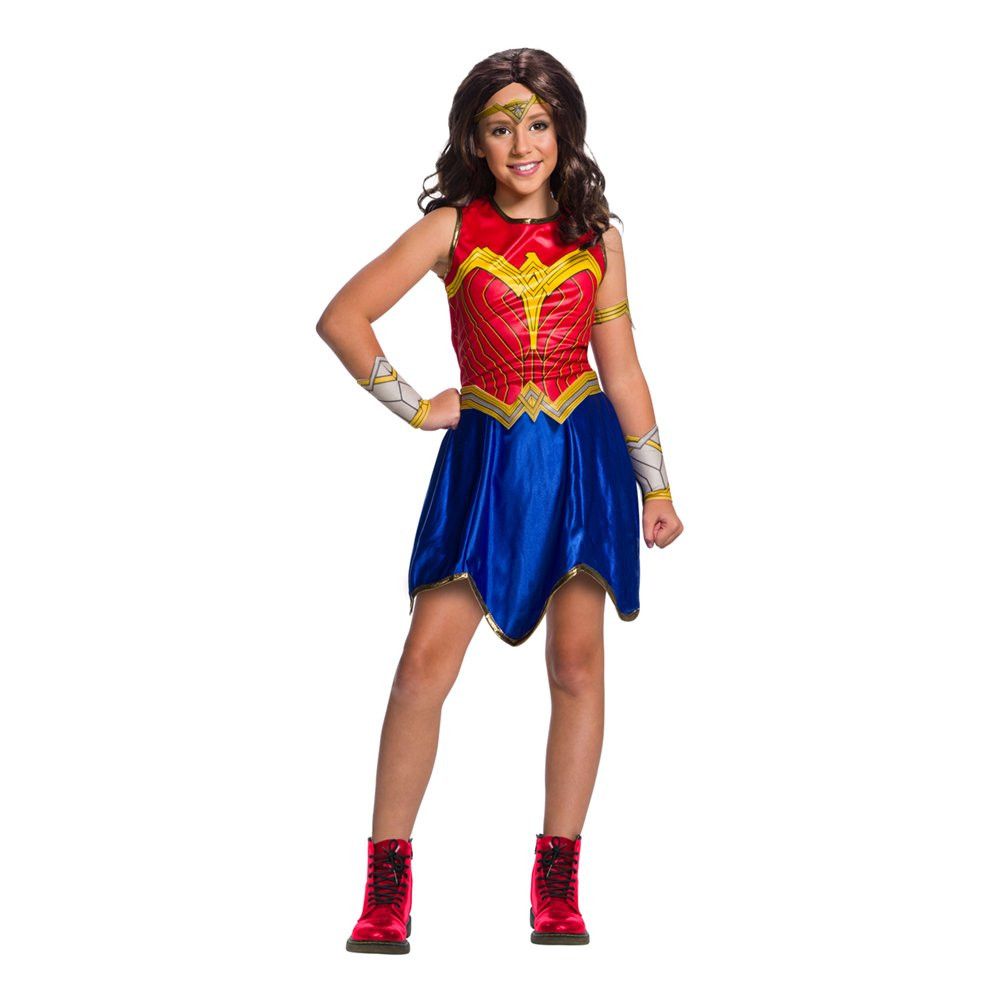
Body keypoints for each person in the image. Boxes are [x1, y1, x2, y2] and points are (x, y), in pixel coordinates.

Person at [315, 48, 683, 953]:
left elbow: (621, 369)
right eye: (501, 126)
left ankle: (558, 878)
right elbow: (342, 317)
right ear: (475, 140)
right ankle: (387, 880)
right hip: (484, 464)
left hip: (582, 464)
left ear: (564, 131)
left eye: (538, 124)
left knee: (577, 667)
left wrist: (658, 484)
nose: (522, 144)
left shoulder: (598, 237)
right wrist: (415, 407)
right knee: (423, 665)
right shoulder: (451, 228)